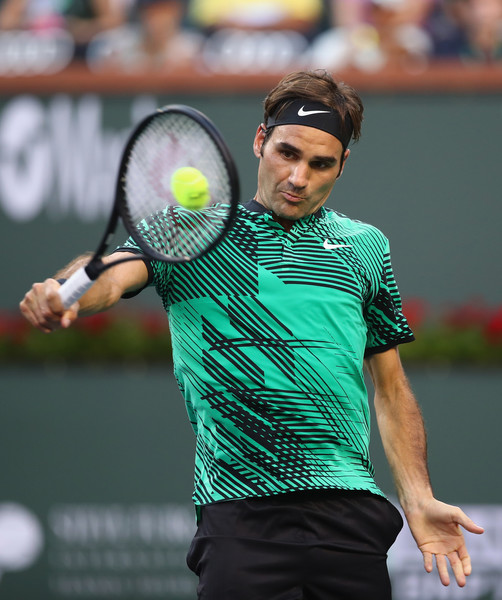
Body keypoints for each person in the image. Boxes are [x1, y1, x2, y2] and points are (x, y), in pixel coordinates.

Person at [20, 69, 484, 599]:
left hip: (350, 517)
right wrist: (67, 292)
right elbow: (115, 274)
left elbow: (392, 388)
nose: (299, 177)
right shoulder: (191, 231)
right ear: (261, 141)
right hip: (242, 514)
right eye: (287, 153)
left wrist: (418, 496)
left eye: (320, 164)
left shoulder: (365, 247)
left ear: (342, 166)